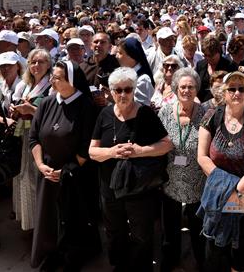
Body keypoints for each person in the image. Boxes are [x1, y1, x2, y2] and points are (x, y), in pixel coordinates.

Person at [89, 67, 172, 272]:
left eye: (128, 89)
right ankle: (120, 265)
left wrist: (139, 151)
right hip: (110, 186)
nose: (123, 94)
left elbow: (166, 145)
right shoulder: (105, 114)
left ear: (134, 90)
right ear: (111, 91)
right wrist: (111, 152)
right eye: (118, 90)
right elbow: (92, 151)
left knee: (141, 233)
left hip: (139, 188)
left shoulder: (145, 114)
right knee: (114, 231)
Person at [30, 61, 99, 271]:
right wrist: (41, 165)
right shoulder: (46, 103)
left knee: (74, 216)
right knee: (50, 216)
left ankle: (74, 255)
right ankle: (52, 253)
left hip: (76, 174)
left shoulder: (86, 107)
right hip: (48, 172)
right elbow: (34, 138)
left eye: (58, 77)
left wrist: (66, 171)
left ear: (72, 81)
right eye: (53, 76)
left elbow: (86, 146)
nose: (52, 80)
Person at [197, 71, 244, 272]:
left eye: (242, 88)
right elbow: (202, 156)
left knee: (240, 242)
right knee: (214, 241)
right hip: (216, 190)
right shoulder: (212, 116)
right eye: (232, 89)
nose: (237, 93)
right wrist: (224, 186)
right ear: (224, 92)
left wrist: (236, 190)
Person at [157, 68, 206, 272]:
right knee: (170, 226)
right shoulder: (165, 112)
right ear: (176, 88)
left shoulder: (206, 114)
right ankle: (170, 261)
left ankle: (201, 262)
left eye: (191, 87)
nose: (186, 90)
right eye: (183, 86)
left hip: (197, 179)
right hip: (170, 179)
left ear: (197, 89)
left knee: (198, 227)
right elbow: (157, 141)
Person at [10, 49, 52, 233]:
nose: (36, 65)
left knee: (33, 179)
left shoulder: (51, 86)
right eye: (33, 62)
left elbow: (54, 114)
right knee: (22, 177)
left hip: (41, 138)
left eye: (41, 62)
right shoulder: (25, 85)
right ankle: (27, 222)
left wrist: (32, 110)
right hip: (24, 134)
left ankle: (39, 225)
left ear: (49, 64)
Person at [196, 35, 237, 103]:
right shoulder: (200, 65)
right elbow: (196, 86)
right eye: (205, 55)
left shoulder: (230, 66)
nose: (208, 58)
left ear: (219, 52)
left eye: (211, 56)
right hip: (203, 105)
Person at [116, 37, 155, 106]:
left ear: (131, 56)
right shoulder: (126, 73)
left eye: (120, 53)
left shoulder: (142, 80)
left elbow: (140, 109)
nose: (117, 56)